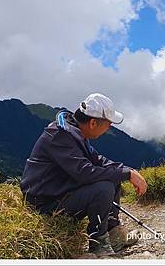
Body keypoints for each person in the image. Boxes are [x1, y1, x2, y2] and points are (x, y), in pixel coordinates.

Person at [20, 93, 148, 257]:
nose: (109, 128)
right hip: (45, 203)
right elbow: (85, 173)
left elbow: (97, 160)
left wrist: (128, 171)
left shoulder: (73, 132)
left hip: (59, 191)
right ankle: (99, 244)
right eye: (108, 124)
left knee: (113, 176)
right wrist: (125, 174)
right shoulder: (60, 136)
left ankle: (113, 234)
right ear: (93, 123)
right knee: (104, 187)